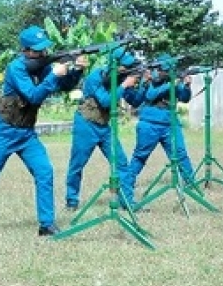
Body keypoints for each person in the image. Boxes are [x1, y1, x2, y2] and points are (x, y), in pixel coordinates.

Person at [0, 26, 87, 238]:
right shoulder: (16, 68)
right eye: (38, 50)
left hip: (26, 133)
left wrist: (77, 70)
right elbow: (34, 96)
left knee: (44, 171)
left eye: (44, 49)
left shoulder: (42, 67)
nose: (43, 53)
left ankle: (46, 225)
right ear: (26, 50)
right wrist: (53, 75)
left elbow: (63, 85)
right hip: (2, 132)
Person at [63, 48, 143, 210]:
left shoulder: (120, 78)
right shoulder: (96, 77)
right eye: (124, 67)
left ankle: (127, 202)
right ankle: (72, 201)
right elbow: (106, 101)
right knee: (77, 164)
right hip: (86, 124)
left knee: (121, 163)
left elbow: (135, 101)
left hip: (104, 127)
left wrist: (140, 84)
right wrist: (124, 85)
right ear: (115, 65)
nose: (126, 70)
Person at [119, 54, 195, 208]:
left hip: (170, 123)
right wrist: (172, 83)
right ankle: (126, 189)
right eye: (159, 69)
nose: (158, 72)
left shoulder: (170, 80)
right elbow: (151, 94)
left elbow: (185, 98)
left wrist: (186, 85)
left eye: (162, 70)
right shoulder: (150, 81)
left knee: (181, 154)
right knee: (139, 157)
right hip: (150, 123)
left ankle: (191, 184)